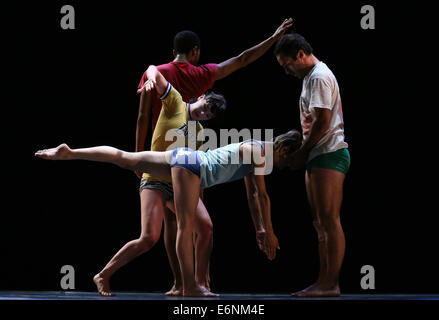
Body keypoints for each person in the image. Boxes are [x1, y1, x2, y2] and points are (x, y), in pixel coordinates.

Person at [105, 18, 293, 297]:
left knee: (181, 226)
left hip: (165, 159)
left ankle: (186, 284)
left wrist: (139, 155)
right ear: (194, 52)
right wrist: (273, 38)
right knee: (184, 226)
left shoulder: (158, 74)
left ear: (174, 52)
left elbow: (143, 116)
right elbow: (241, 59)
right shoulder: (201, 75)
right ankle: (194, 283)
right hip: (184, 162)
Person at [35, 130, 302, 296]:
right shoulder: (259, 152)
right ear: (284, 149)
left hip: (183, 158)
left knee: (125, 158)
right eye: (287, 162)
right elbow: (260, 194)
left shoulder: (254, 147)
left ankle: (70, 153)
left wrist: (261, 228)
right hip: (192, 165)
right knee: (186, 226)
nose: (283, 167)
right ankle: (190, 287)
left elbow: (252, 196)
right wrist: (268, 231)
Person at [274, 33, 350, 297]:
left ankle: (331, 283)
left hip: (328, 152)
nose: (286, 72)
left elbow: (322, 121)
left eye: (287, 65)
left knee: (329, 220)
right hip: (318, 153)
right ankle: (323, 282)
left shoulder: (318, 76)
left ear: (300, 55)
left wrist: (301, 153)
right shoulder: (310, 77)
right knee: (320, 223)